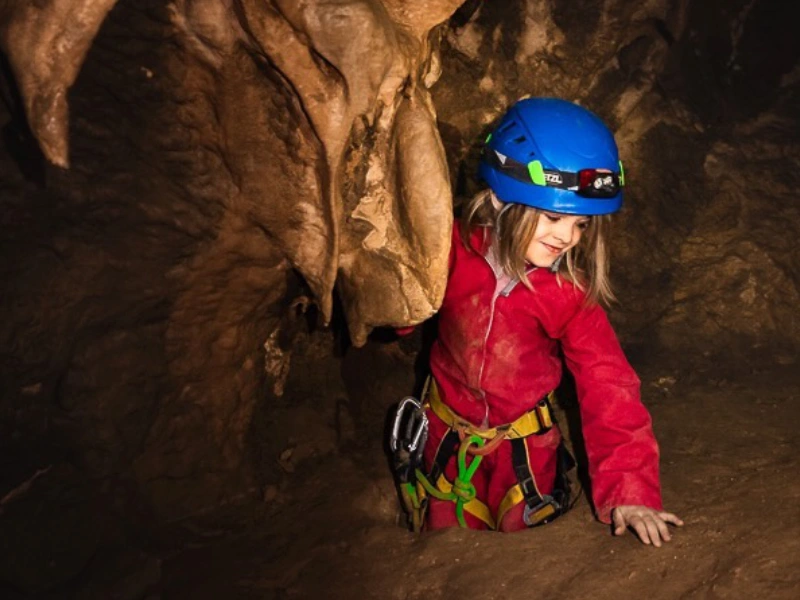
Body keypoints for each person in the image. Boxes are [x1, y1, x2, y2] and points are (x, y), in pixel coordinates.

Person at [402, 97, 682, 546]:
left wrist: (631, 490)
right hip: (445, 443)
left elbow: (609, 385)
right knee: (443, 548)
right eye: (554, 217)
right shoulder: (449, 252)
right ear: (499, 198)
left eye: (581, 225)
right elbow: (401, 310)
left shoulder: (568, 295)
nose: (568, 238)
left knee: (522, 548)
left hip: (524, 455)